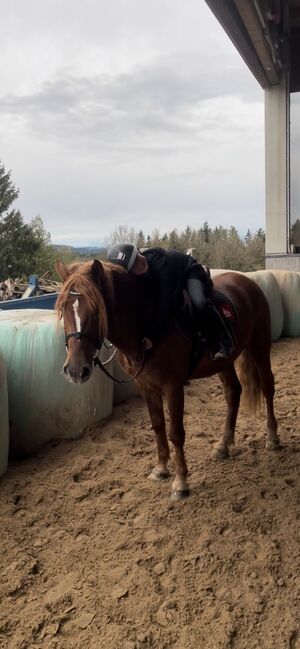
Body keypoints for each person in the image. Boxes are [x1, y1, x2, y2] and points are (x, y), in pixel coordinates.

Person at [107, 243, 234, 360]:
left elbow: (166, 302)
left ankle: (224, 340)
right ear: (129, 273)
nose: (140, 262)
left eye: (137, 256)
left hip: (189, 270)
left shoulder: (161, 262)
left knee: (199, 300)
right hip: (169, 278)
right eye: (133, 265)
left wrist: (152, 336)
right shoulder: (136, 278)